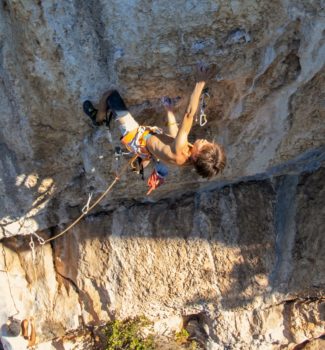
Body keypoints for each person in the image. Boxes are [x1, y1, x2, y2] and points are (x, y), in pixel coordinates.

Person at [83, 63, 226, 194]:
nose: (204, 140)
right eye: (208, 142)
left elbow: (189, 114)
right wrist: (169, 111)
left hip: (135, 137)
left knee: (111, 96)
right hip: (147, 146)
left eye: (204, 145)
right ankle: (139, 158)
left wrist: (200, 82)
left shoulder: (181, 150)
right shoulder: (189, 159)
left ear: (196, 156)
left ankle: (98, 119)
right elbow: (175, 136)